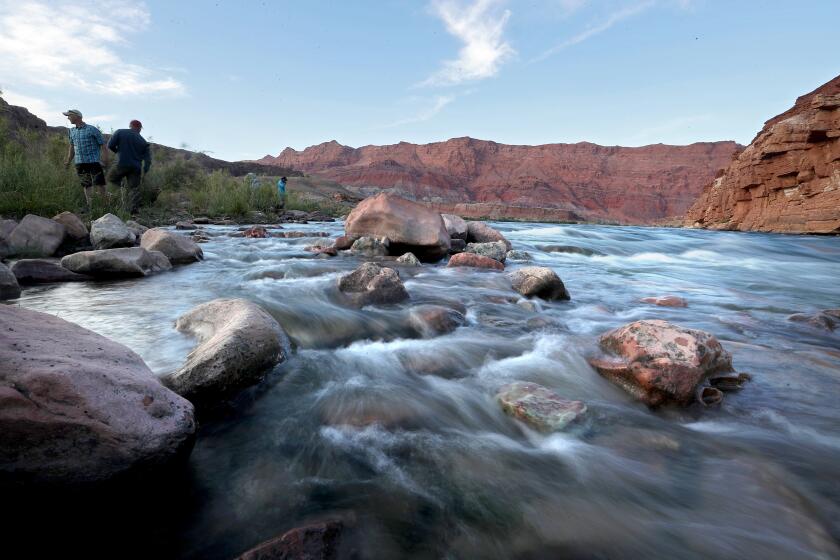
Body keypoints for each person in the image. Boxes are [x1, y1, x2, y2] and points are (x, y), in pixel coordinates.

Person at [63, 109, 109, 208]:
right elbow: (72, 147)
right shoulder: (72, 131)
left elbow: (103, 145)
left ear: (77, 116)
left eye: (69, 115)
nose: (68, 118)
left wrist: (105, 160)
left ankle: (105, 206)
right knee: (86, 184)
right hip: (79, 162)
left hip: (94, 161)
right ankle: (90, 207)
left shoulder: (92, 129)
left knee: (100, 183)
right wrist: (68, 161)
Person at [107, 119, 151, 215]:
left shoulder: (120, 132)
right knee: (134, 188)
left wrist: (118, 152)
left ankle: (117, 199)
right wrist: (145, 170)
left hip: (121, 163)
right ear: (139, 128)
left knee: (111, 179)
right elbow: (148, 160)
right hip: (136, 167)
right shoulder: (144, 141)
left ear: (130, 126)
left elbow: (110, 145)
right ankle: (133, 211)